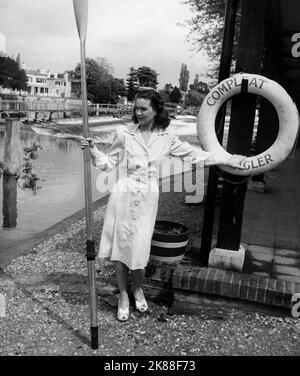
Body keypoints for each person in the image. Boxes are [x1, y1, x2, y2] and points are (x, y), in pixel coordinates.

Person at [81, 89, 246, 322]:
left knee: (139, 248)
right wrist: (93, 151)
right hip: (123, 195)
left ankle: (137, 288)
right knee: (120, 248)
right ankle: (124, 296)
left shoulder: (166, 136)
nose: (138, 113)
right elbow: (109, 164)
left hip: (148, 196)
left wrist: (227, 158)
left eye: (143, 109)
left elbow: (194, 155)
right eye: (136, 108)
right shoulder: (124, 133)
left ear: (156, 110)